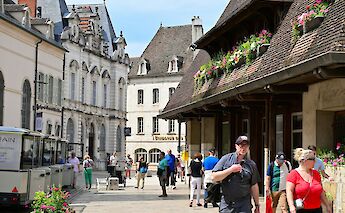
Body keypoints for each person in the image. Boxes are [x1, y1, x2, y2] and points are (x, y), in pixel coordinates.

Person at [212, 136, 260, 213]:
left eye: (246, 146)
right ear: (236, 146)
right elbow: (214, 177)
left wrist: (257, 205)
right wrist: (230, 170)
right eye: (241, 146)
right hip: (227, 204)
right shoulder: (226, 159)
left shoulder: (251, 164)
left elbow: (254, 185)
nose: (243, 148)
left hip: (244, 204)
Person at [286, 148, 332, 213]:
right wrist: (291, 206)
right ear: (304, 160)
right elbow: (289, 191)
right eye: (313, 159)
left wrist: (327, 205)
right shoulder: (293, 174)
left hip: (317, 209)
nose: (315, 161)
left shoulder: (316, 173)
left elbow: (321, 191)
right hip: (300, 209)